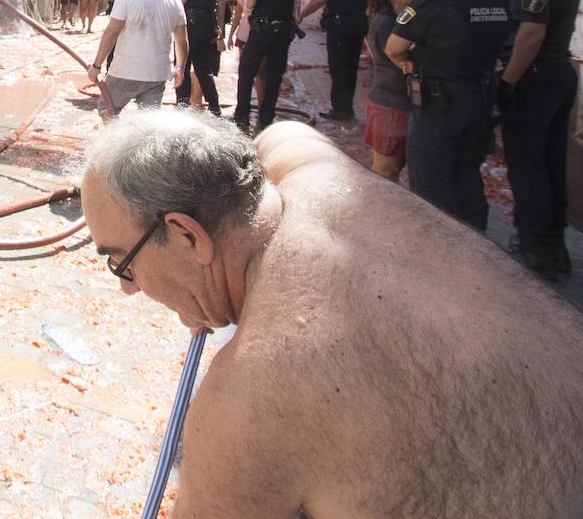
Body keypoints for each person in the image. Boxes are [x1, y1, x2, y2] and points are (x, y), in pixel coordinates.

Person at [78, 109, 583, 519]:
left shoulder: (246, 401)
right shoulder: (316, 171)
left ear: (188, 235)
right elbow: (282, 131)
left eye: (122, 262)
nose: (127, 288)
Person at [477, 0, 581, 279]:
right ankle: (554, 247)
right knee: (552, 160)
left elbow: (530, 35)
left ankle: (536, 250)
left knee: (527, 164)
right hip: (560, 74)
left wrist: (506, 82)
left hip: (534, 79)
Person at [384, 0, 509, 230]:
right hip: (479, 100)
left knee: (431, 184)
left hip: (438, 104)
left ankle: (437, 255)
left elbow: (394, 48)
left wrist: (409, 63)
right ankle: (476, 246)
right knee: (468, 177)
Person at [87, 0, 188, 111]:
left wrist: (96, 65)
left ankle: (117, 136)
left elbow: (112, 32)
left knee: (107, 109)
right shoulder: (174, 0)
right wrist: (180, 68)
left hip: (125, 70)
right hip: (156, 74)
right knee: (148, 123)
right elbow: (181, 40)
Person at [298, 0, 371, 121]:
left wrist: (301, 15)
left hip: (339, 30)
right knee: (351, 68)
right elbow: (369, 5)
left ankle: (339, 109)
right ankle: (348, 107)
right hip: (358, 28)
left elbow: (318, 1)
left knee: (338, 67)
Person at [232, 0, 299, 134]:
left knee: (246, 70)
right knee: (274, 75)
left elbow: (250, 4)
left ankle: (242, 115)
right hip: (283, 32)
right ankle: (267, 117)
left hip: (262, 31)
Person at [364, 0, 415, 182]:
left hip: (402, 103)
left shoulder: (402, 20)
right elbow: (402, 61)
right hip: (391, 106)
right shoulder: (386, 23)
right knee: (386, 173)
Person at [172, 0, 224, 115]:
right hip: (206, 23)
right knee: (203, 69)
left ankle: (182, 107)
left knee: (182, 65)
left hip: (191, 25)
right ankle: (215, 108)